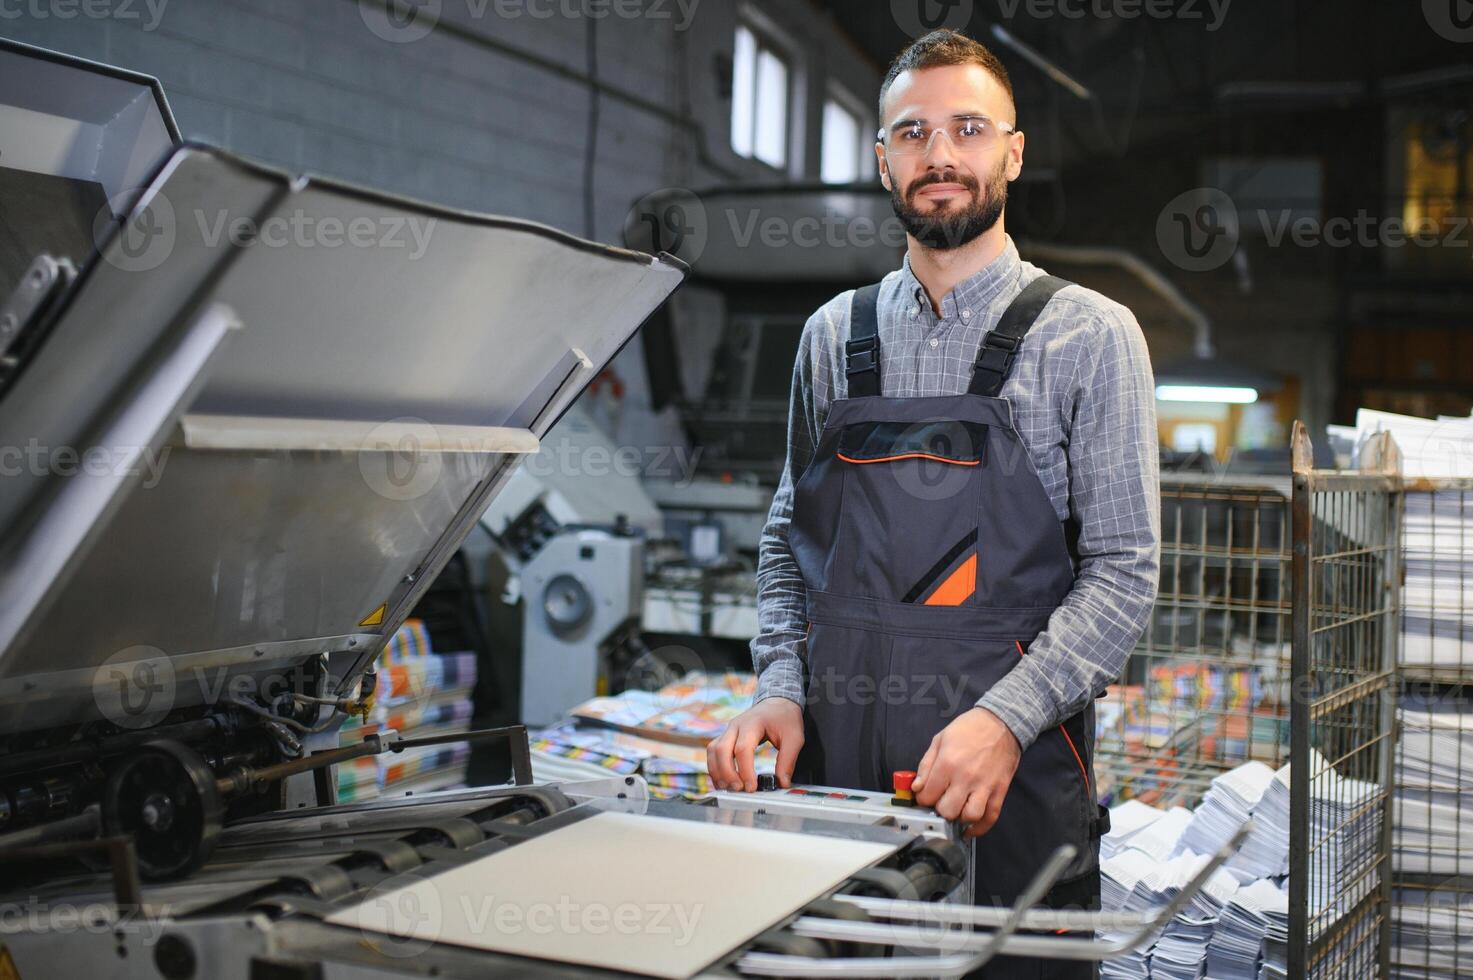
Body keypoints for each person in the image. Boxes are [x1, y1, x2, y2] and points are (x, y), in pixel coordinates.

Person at [707, 27, 1161, 978]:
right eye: (911, 134)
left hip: (1016, 779)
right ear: (882, 160)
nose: (940, 155)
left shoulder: (1089, 336)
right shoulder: (833, 336)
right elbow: (790, 541)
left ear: (1013, 151)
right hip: (835, 779)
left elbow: (1124, 574)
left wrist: (1005, 719)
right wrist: (778, 692)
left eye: (967, 128)